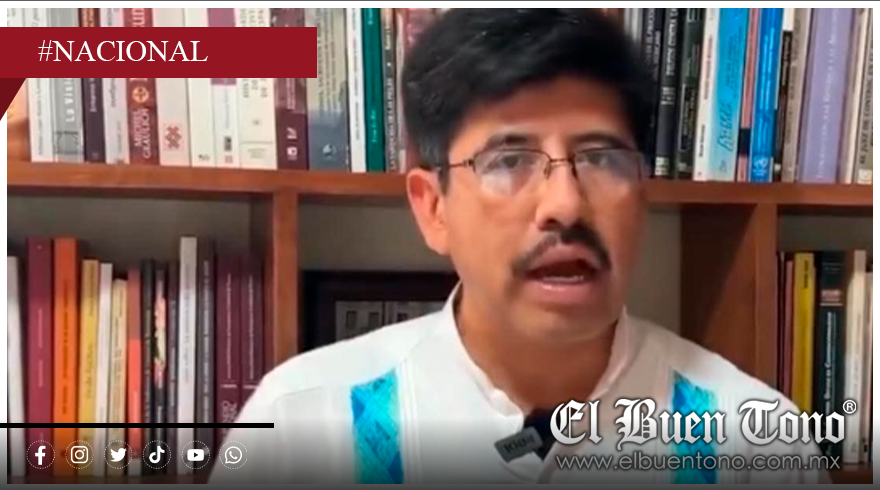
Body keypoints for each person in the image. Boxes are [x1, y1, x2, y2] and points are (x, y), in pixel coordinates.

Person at [210, 9, 826, 484]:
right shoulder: (303, 423)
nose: (565, 204)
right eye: (509, 160)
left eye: (601, 158)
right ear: (433, 207)